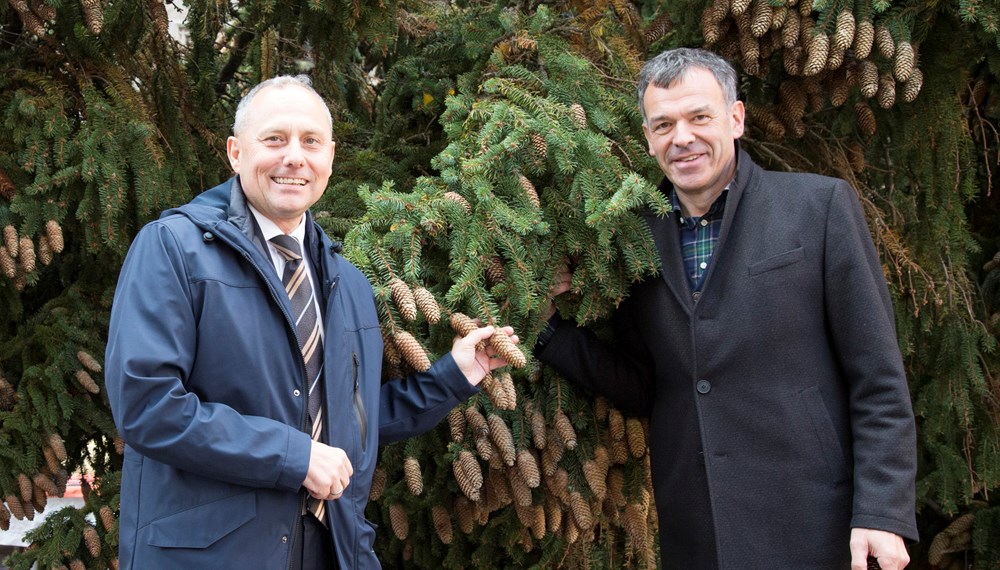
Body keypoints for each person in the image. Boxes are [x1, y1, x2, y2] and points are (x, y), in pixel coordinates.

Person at [105, 75, 517, 569]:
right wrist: (293, 456)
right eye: (274, 139)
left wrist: (456, 375)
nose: (294, 157)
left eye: (311, 142)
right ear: (236, 153)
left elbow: (346, 424)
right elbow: (148, 406)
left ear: (330, 158)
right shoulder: (173, 248)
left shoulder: (348, 283)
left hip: (330, 551)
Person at [536, 48, 917, 569]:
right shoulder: (632, 239)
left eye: (699, 117)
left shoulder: (818, 208)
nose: (682, 138)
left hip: (816, 522)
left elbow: (878, 378)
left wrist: (882, 512)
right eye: (663, 124)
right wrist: (548, 331)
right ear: (648, 139)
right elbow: (646, 384)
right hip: (699, 529)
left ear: (735, 119)